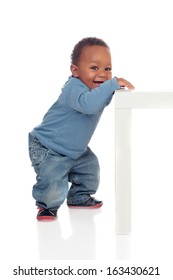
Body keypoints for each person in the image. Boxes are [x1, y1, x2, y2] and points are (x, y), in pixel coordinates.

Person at [28, 37, 135, 221]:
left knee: (91, 169)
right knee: (53, 183)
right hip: (49, 148)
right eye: (94, 68)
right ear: (75, 71)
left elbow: (101, 99)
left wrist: (116, 90)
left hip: (76, 150)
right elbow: (88, 105)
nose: (102, 74)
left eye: (107, 69)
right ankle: (46, 206)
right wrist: (112, 83)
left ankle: (78, 197)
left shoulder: (96, 90)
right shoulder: (73, 87)